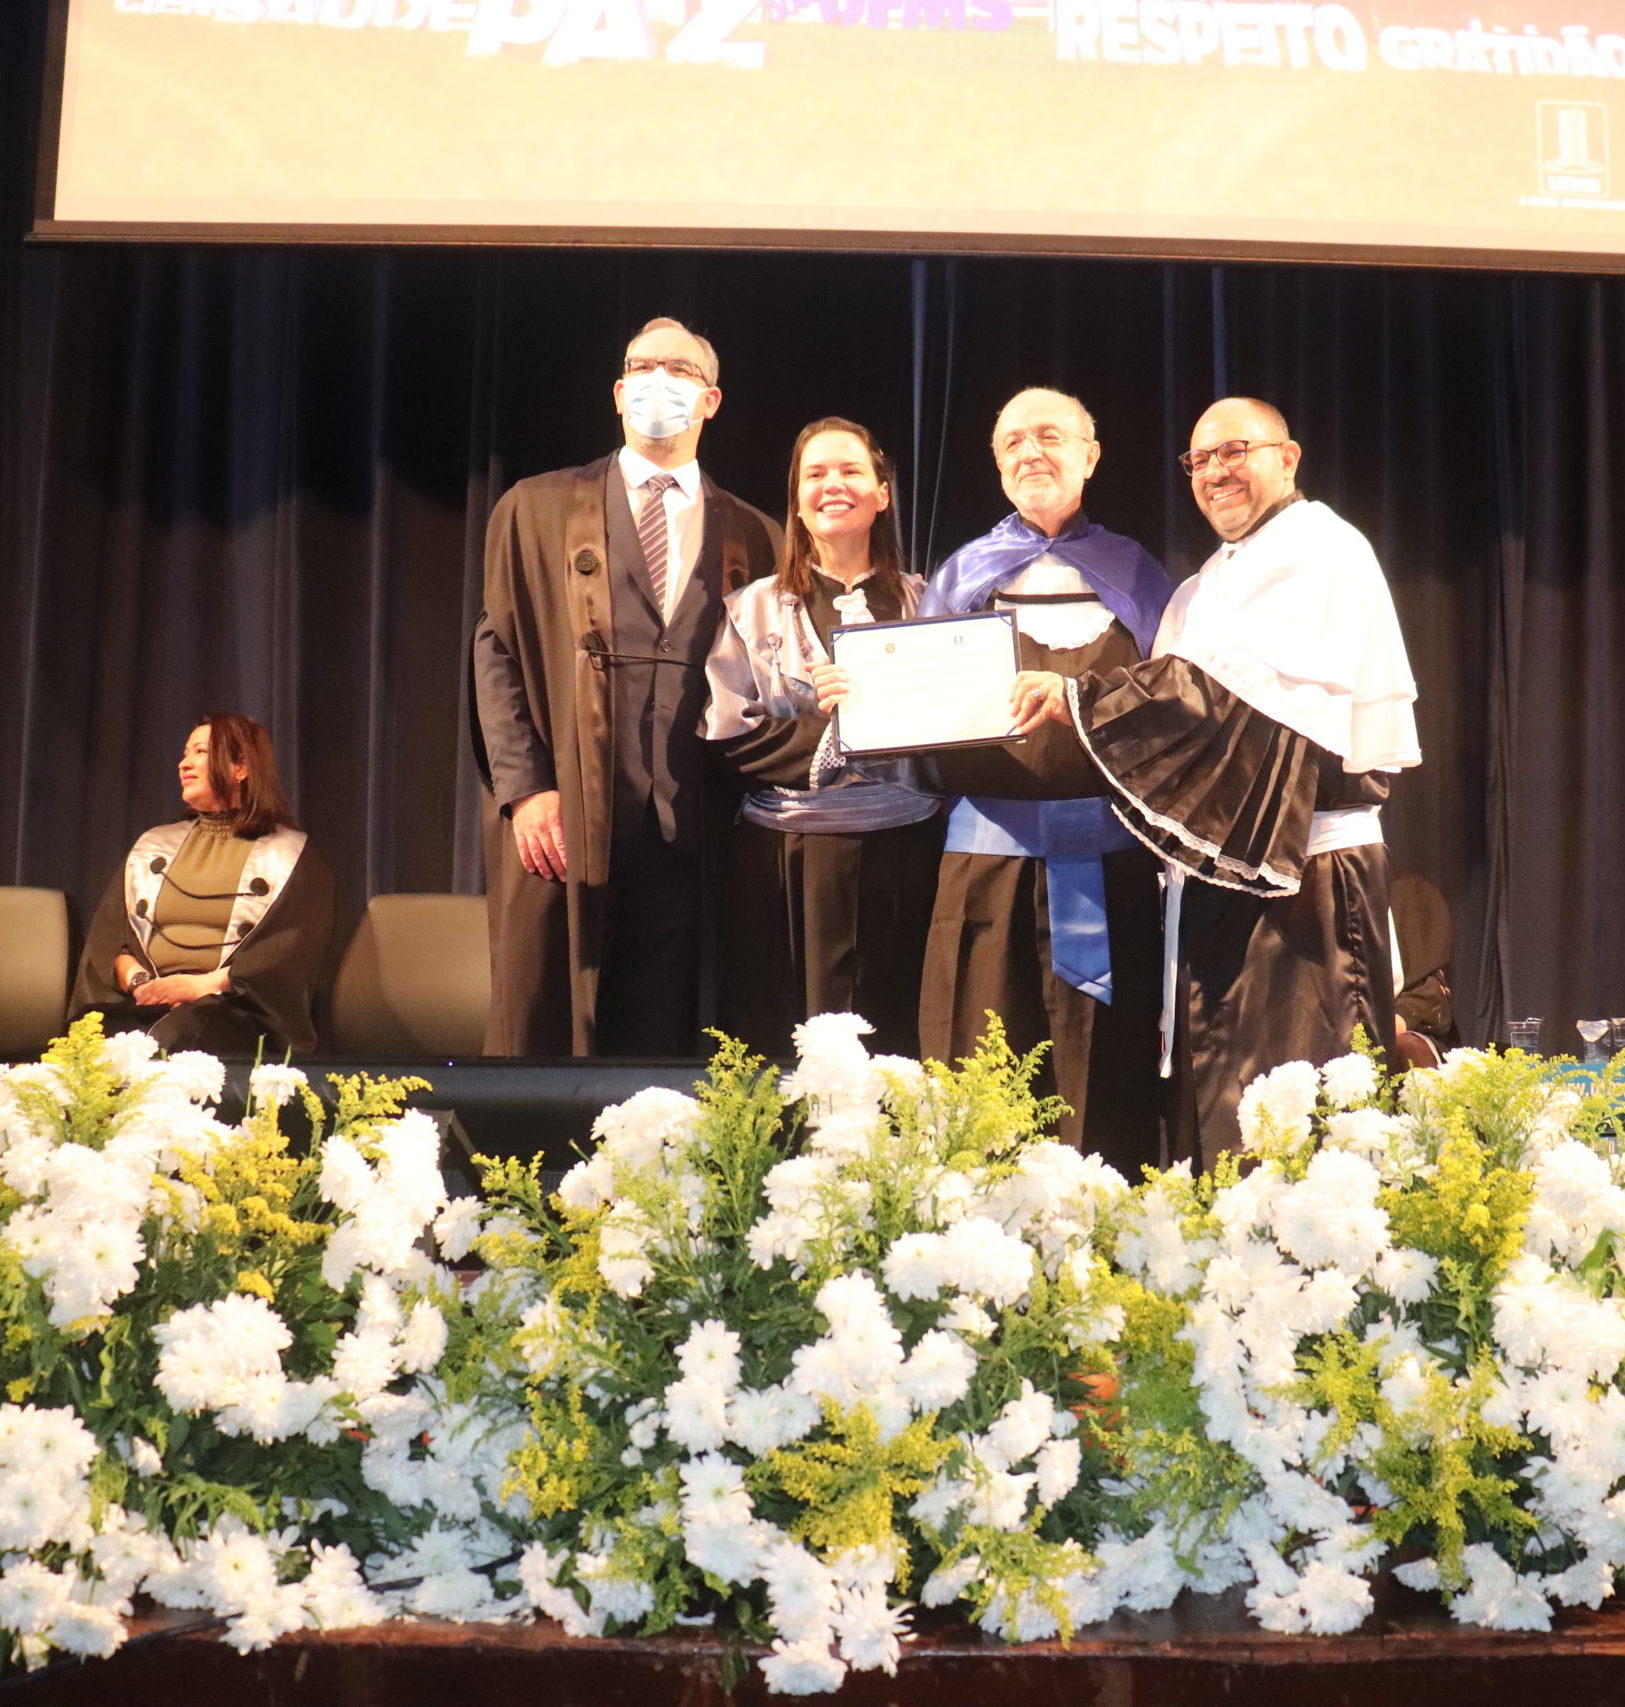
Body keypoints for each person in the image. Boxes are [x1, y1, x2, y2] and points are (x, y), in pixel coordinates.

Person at [1010, 396, 1421, 1166]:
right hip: (1218, 885)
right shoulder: (1204, 583)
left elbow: (1218, 700)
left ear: (1286, 457)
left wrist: (1076, 697)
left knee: (1299, 1121)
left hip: (1306, 885)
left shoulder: (1316, 548)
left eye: (1234, 451)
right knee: (1223, 1117)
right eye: (1199, 460)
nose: (1214, 472)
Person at [471, 317, 781, 1058]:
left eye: (678, 370)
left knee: (669, 1031)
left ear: (710, 400)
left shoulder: (756, 533)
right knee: (549, 1014)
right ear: (617, 392)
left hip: (695, 819)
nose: (657, 381)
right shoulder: (537, 507)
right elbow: (498, 651)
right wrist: (525, 788)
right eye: (642, 367)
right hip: (567, 810)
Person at [905, 387, 1172, 1167]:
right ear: (996, 465)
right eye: (1013, 441)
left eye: (1050, 436)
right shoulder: (962, 574)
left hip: (1110, 870)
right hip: (983, 870)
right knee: (980, 1064)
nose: (1031, 452)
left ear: (1091, 456)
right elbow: (916, 716)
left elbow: (1172, 710)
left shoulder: (1138, 574)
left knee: (1106, 1078)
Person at [702, 417, 942, 1058]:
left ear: (882, 493)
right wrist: (832, 729)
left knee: (896, 1047)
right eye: (816, 474)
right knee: (782, 1045)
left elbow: (960, 724)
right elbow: (725, 734)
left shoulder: (930, 603)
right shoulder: (750, 608)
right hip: (783, 862)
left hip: (906, 853)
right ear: (797, 500)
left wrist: (880, 706)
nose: (833, 484)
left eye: (850, 471)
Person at [70, 713, 333, 1056]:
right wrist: (144, 985)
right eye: (185, 753)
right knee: (91, 1040)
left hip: (233, 1010)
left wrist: (200, 986)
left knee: (183, 1033)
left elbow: (288, 957)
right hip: (146, 1001)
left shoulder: (290, 855)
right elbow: (108, 944)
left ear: (241, 768)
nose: (184, 764)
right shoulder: (152, 847)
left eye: (200, 752)